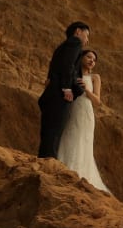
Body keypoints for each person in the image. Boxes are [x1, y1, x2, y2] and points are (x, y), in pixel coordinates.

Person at [57, 49, 110, 192]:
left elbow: (98, 101)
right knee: (68, 136)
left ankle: (80, 175)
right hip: (71, 110)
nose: (92, 61)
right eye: (89, 57)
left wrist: (86, 89)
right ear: (81, 57)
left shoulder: (95, 77)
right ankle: (64, 171)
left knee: (82, 141)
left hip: (85, 112)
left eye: (94, 60)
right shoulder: (73, 74)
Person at [37, 21, 90, 158]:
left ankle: (44, 160)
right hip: (59, 94)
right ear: (78, 31)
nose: (87, 40)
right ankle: (49, 162)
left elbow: (56, 66)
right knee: (55, 131)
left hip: (51, 93)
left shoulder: (61, 47)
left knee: (48, 131)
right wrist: (67, 88)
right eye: (87, 35)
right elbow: (68, 66)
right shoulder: (75, 42)